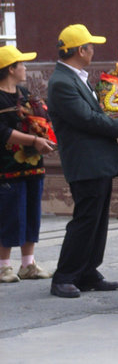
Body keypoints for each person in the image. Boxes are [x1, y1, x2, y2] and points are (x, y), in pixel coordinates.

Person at [48, 24, 118, 298]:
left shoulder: (76, 78)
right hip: (85, 162)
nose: (93, 50)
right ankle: (65, 275)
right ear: (80, 50)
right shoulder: (61, 82)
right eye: (91, 46)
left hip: (98, 161)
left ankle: (88, 271)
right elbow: (87, 119)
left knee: (97, 219)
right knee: (85, 219)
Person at [0, 46, 56, 283]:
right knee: (10, 214)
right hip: (7, 167)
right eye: (21, 64)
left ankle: (28, 264)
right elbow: (2, 132)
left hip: (33, 164)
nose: (25, 68)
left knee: (32, 212)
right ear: (11, 69)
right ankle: (4, 266)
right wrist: (34, 139)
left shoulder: (24, 93)